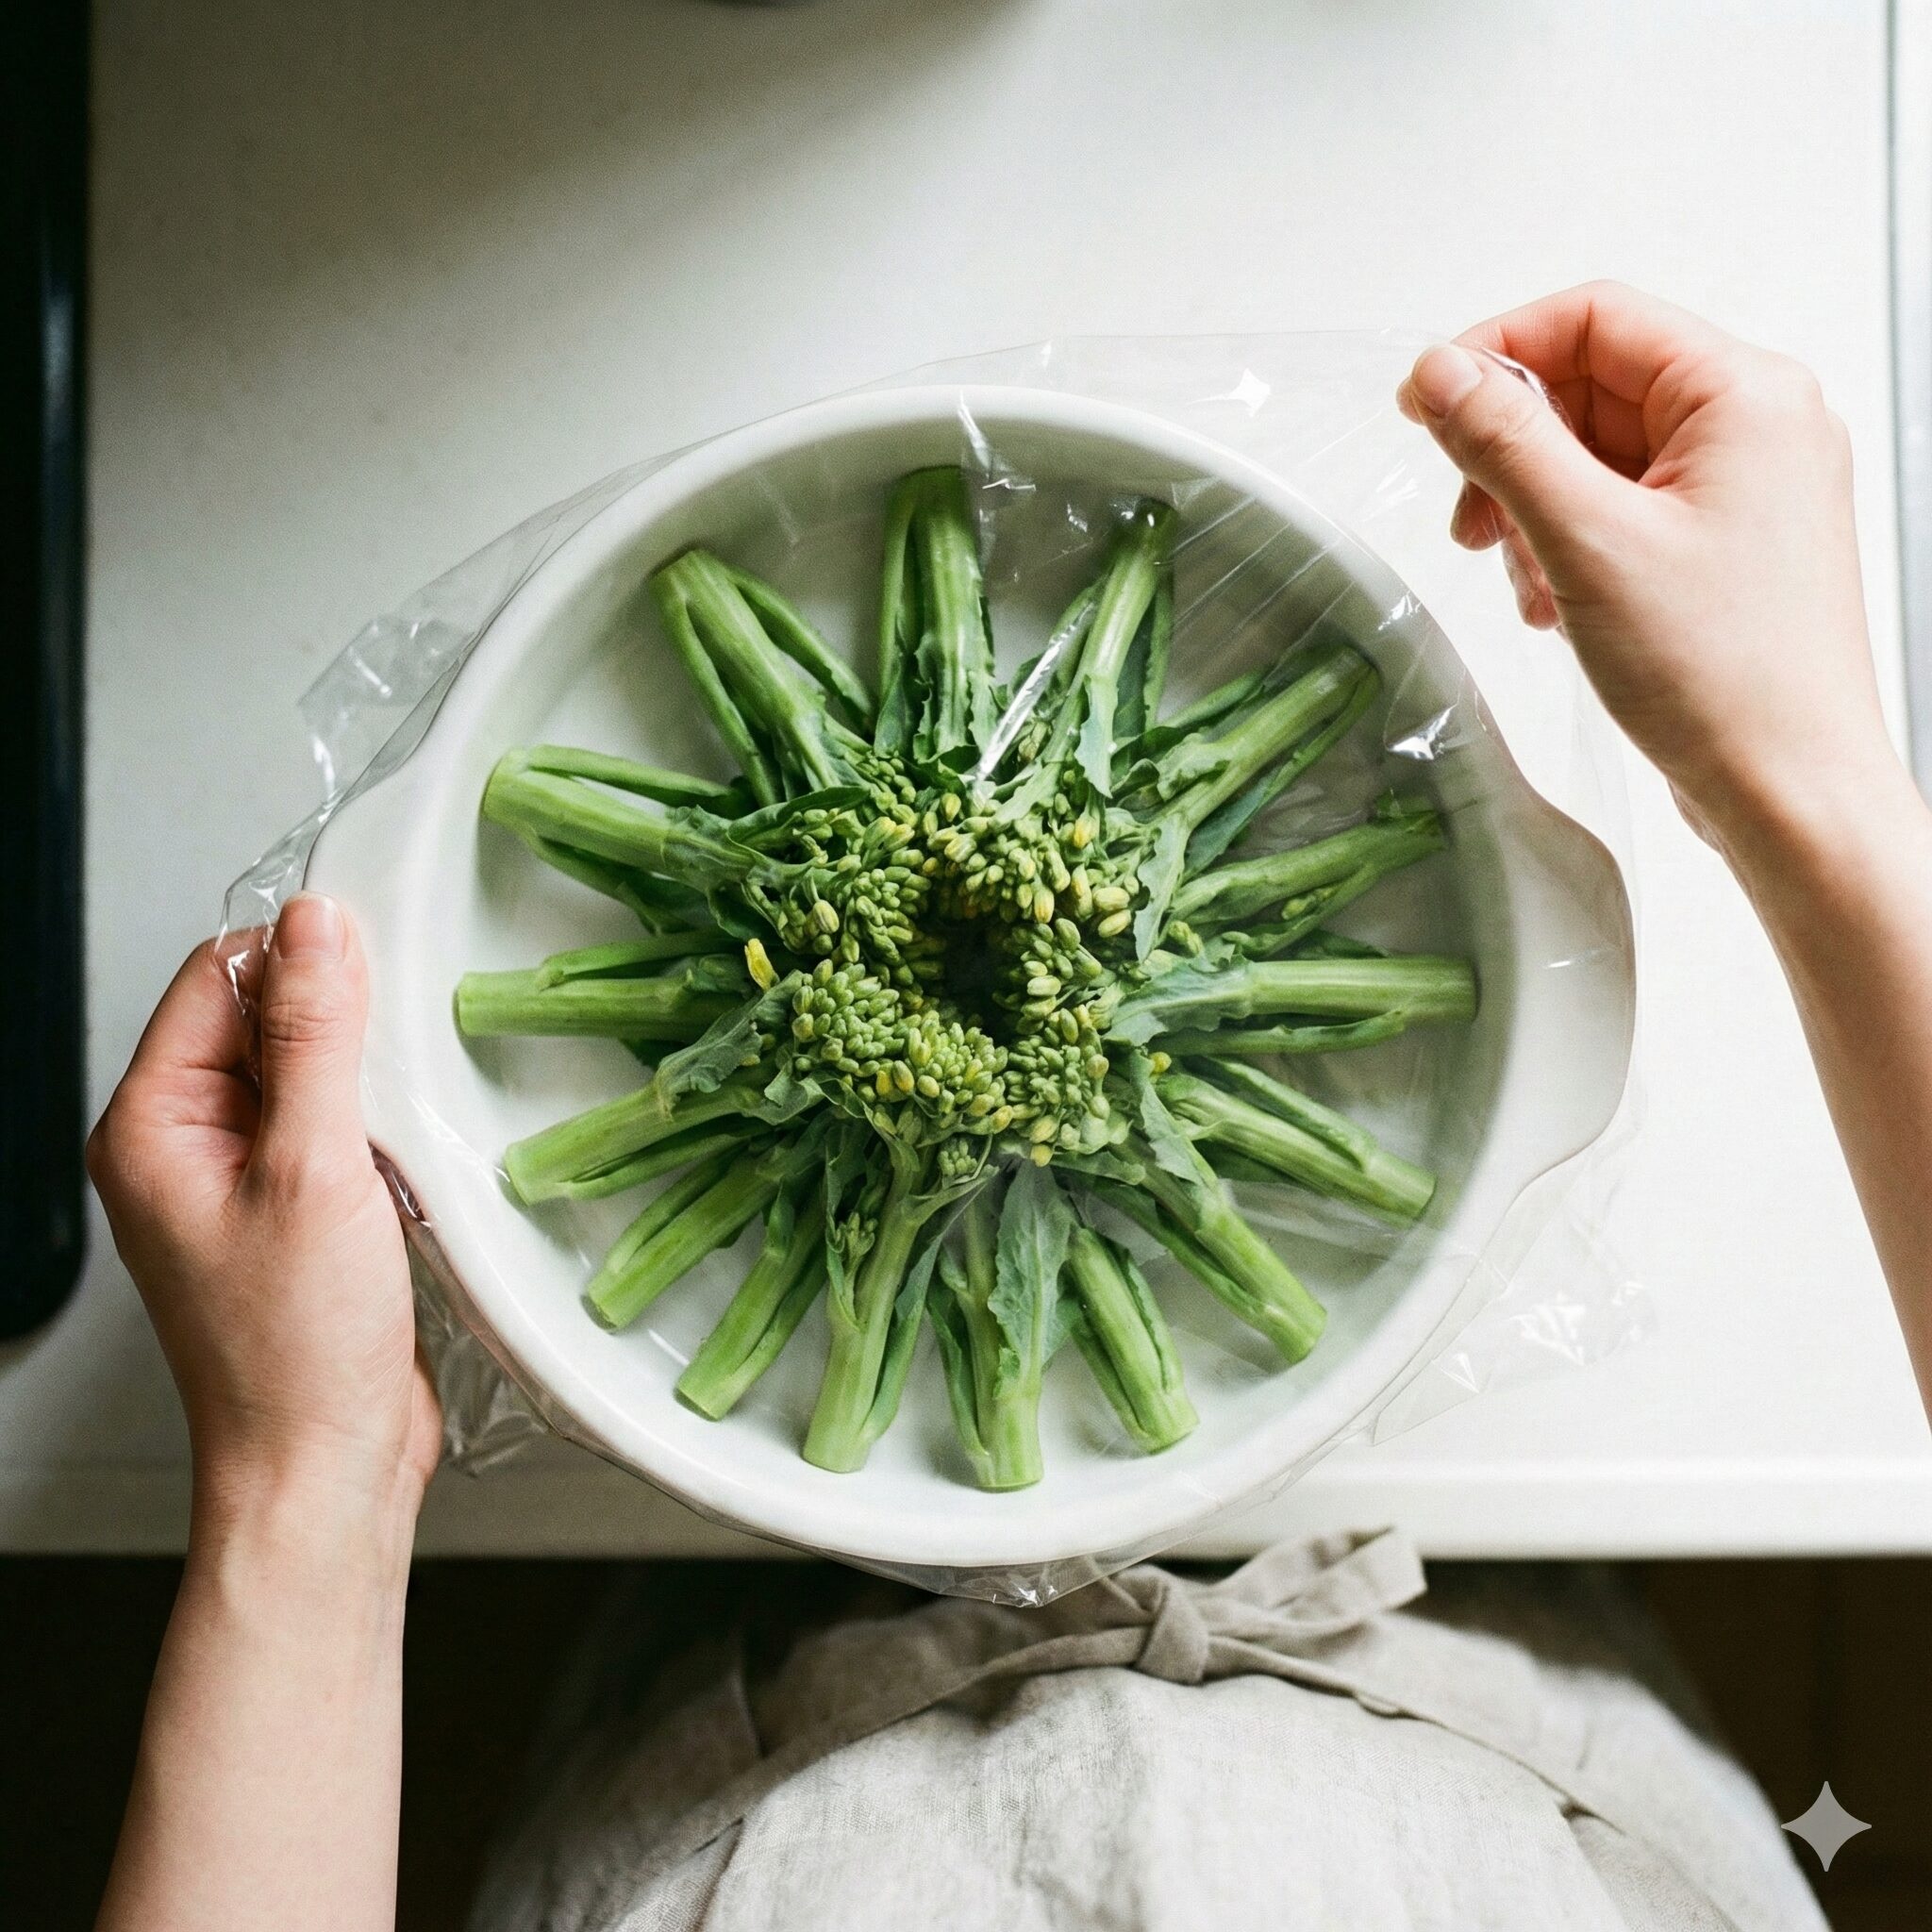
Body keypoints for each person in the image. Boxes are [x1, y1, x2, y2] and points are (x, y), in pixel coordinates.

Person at [83, 283, 1932, 1931]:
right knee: (1536, 1624)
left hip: (744, 1785)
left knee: (693, 1623)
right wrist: (1814, 794)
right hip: (1479, 1755)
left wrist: (307, 1482)